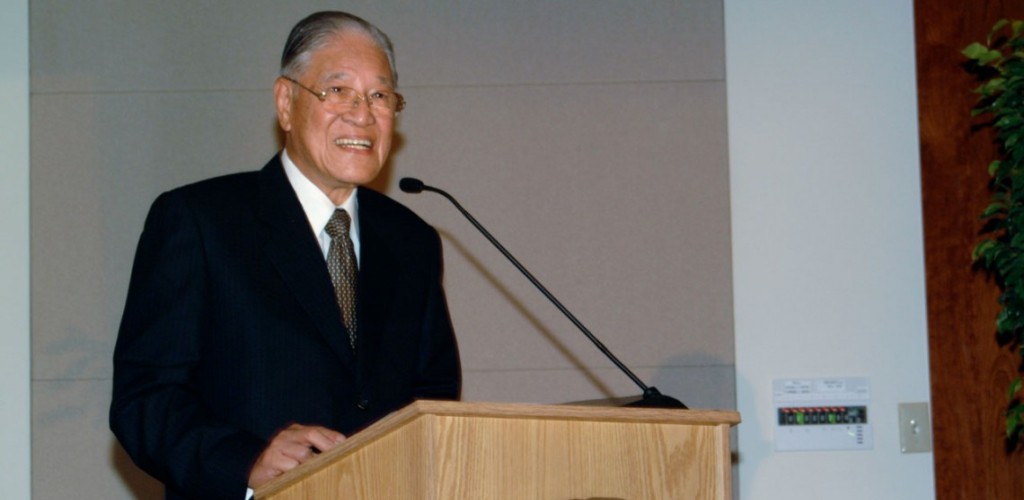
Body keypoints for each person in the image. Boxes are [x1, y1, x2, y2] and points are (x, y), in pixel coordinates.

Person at [109, 11, 461, 499]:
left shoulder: (411, 240)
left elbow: (434, 398)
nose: (362, 113)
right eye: (338, 91)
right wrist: (246, 460)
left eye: (379, 96)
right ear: (286, 102)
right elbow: (145, 399)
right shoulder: (201, 221)